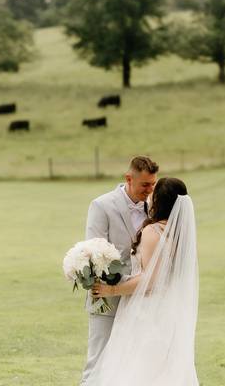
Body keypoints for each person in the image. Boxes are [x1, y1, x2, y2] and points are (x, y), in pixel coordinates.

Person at [84, 176, 199, 386]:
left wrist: (111, 290)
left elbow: (150, 281)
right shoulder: (179, 235)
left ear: (159, 201)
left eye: (153, 195)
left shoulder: (152, 232)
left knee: (137, 368)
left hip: (147, 311)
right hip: (169, 309)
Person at [80, 156, 158, 384]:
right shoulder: (101, 205)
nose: (150, 190)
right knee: (98, 362)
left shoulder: (154, 207)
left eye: (153, 184)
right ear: (128, 178)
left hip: (141, 302)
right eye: (145, 184)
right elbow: (94, 253)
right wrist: (125, 286)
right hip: (106, 297)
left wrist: (140, 286)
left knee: (132, 364)